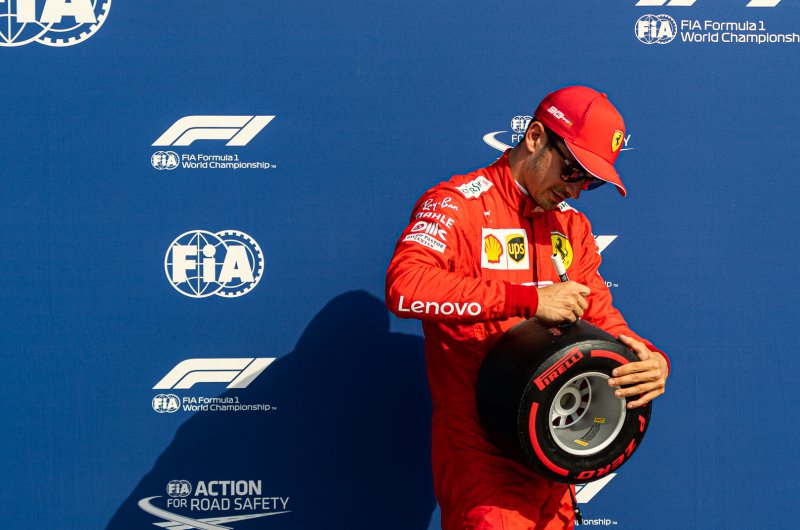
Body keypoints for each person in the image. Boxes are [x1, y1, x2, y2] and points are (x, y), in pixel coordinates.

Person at [385, 86, 670, 530]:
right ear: (535, 137)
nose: (575, 190)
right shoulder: (458, 205)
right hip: (482, 458)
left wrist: (645, 357)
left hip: (554, 455)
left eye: (590, 181)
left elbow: (600, 315)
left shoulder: (571, 227)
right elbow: (404, 286)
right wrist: (530, 300)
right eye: (572, 170)